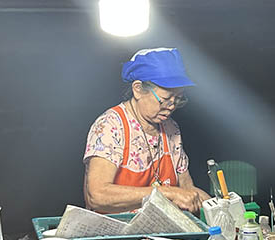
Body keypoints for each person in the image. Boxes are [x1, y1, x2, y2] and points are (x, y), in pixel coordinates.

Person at [84, 48, 211, 214]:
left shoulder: (171, 129)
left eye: (177, 99)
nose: (171, 107)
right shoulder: (111, 126)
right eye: (165, 99)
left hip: (159, 233)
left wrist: (220, 208)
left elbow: (187, 189)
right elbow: (97, 195)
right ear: (138, 89)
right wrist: (166, 193)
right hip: (116, 233)